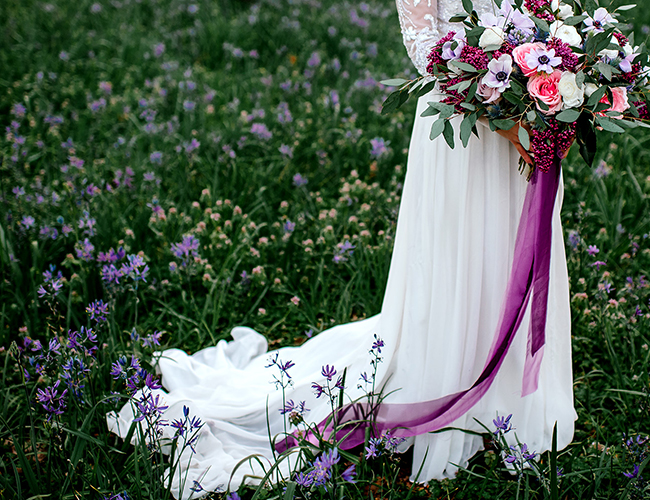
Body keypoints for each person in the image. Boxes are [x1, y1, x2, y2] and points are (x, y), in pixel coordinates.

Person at [109, 0, 576, 497]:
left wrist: (561, 89)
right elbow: (425, 48)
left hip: (528, 119)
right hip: (464, 124)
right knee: (458, 258)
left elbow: (548, 18)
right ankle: (451, 381)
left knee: (512, 243)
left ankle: (516, 395)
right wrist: (503, 111)